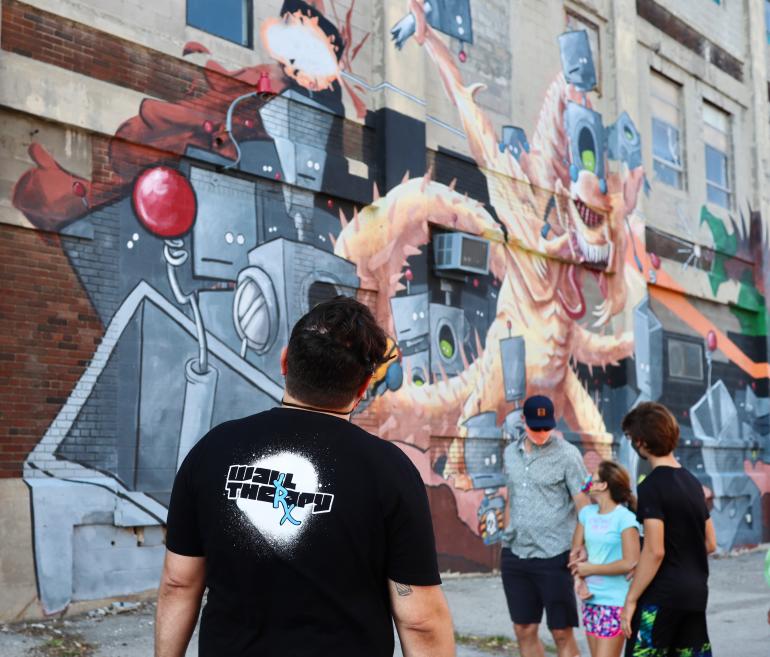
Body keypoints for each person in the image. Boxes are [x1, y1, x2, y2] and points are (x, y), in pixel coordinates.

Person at [155, 296, 455, 657]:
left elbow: (178, 582)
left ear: (284, 362)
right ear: (362, 389)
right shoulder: (390, 470)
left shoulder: (211, 450)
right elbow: (419, 619)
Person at [620, 402, 717, 656]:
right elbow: (710, 543)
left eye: (631, 438)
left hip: (661, 599)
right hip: (694, 595)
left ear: (641, 441)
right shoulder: (692, 482)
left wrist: (630, 600)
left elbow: (655, 551)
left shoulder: (651, 486)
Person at [501, 395, 590, 657]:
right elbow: (512, 496)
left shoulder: (568, 455)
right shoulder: (510, 453)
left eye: (546, 427)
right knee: (523, 629)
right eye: (535, 427)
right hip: (516, 553)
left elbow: (583, 505)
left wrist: (581, 546)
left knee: (562, 632)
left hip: (555, 555)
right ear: (523, 421)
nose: (541, 433)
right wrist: (507, 532)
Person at [570, 461, 640, 657]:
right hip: (590, 600)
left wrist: (591, 569)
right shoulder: (587, 514)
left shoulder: (625, 518)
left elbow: (630, 562)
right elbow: (576, 550)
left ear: (603, 485)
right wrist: (577, 559)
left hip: (615, 601)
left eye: (593, 477)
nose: (588, 480)